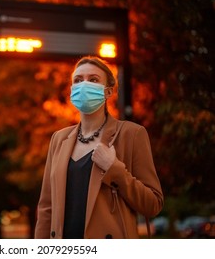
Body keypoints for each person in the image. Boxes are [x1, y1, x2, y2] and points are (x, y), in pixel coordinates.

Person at [34, 56, 163, 239]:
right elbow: (47, 208)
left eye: (93, 80)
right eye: (78, 80)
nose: (84, 85)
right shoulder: (58, 138)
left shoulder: (132, 134)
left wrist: (115, 169)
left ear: (108, 92)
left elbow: (153, 204)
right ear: (71, 90)